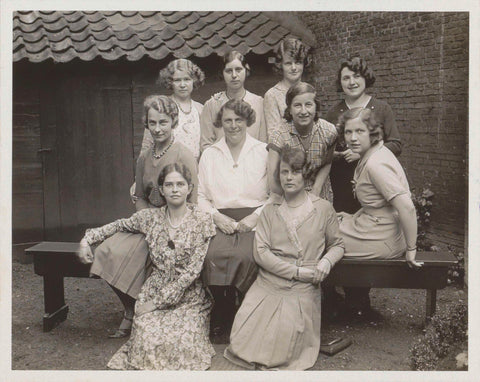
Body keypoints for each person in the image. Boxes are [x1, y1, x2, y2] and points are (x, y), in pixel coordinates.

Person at [77, 163, 216, 370]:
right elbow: (118, 225)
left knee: (180, 342)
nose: (175, 189)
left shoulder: (202, 220)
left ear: (190, 188)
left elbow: (192, 272)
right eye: (169, 185)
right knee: (148, 339)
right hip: (154, 289)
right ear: (161, 189)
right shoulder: (150, 218)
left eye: (180, 184)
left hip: (189, 295)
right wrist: (86, 240)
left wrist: (156, 304)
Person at [224, 146, 344, 370]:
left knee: (282, 344)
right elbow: (262, 253)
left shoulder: (323, 209)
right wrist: (294, 271)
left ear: (305, 174)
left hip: (302, 287)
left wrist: (326, 262)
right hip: (270, 281)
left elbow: (337, 244)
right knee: (244, 339)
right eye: (284, 172)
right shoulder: (270, 210)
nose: (289, 177)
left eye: (295, 171)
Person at [90, 95, 198, 338]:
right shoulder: (144, 157)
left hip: (177, 225)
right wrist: (149, 221)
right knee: (107, 250)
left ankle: (149, 310)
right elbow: (139, 196)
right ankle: (129, 308)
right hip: (148, 221)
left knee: (153, 257)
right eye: (152, 123)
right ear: (146, 125)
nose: (158, 128)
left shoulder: (184, 155)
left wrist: (169, 227)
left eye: (163, 122)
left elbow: (192, 200)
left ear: (174, 122)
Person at [337, 108, 421, 320]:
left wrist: (412, 249)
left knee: (319, 236)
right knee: (332, 222)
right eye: (348, 132)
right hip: (377, 227)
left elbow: (407, 207)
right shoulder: (373, 153)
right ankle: (346, 301)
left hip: (383, 237)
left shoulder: (376, 164)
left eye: (360, 131)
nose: (353, 138)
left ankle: (327, 302)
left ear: (372, 132)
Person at [198, 99, 269, 340]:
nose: (233, 125)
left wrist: (256, 216)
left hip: (254, 219)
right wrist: (216, 217)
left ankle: (246, 312)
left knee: (247, 256)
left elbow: (274, 195)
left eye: (239, 120)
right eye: (228, 120)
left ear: (248, 121)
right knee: (212, 256)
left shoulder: (263, 151)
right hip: (220, 219)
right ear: (220, 123)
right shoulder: (210, 154)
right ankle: (223, 310)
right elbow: (199, 196)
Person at [326, 56, 402, 214]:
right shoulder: (333, 113)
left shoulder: (382, 108)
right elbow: (325, 150)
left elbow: (396, 144)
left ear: (366, 78)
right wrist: (339, 155)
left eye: (356, 76)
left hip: (374, 182)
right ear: (340, 82)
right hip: (342, 183)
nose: (351, 82)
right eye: (346, 78)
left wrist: (363, 154)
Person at [267, 82, 337, 202]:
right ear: (289, 109)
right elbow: (273, 180)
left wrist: (316, 189)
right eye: (297, 105)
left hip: (320, 197)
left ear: (316, 107)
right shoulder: (279, 136)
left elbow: (327, 162)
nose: (303, 111)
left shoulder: (329, 131)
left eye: (308, 104)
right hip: (288, 199)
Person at [200, 50, 266, 151]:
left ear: (246, 70)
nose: (234, 75)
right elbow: (206, 144)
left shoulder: (259, 103)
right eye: (229, 71)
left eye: (238, 70)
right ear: (222, 73)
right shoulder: (212, 105)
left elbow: (263, 142)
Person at [141, 59, 205, 160]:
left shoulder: (201, 109)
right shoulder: (161, 106)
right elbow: (147, 144)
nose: (182, 85)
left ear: (194, 81)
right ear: (170, 81)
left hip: (196, 169)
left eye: (187, 79)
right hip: (167, 167)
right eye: (177, 80)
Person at [263, 38, 311, 136]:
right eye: (288, 63)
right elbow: (274, 135)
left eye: (298, 62)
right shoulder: (272, 95)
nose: (293, 68)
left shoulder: (309, 91)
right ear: (280, 65)